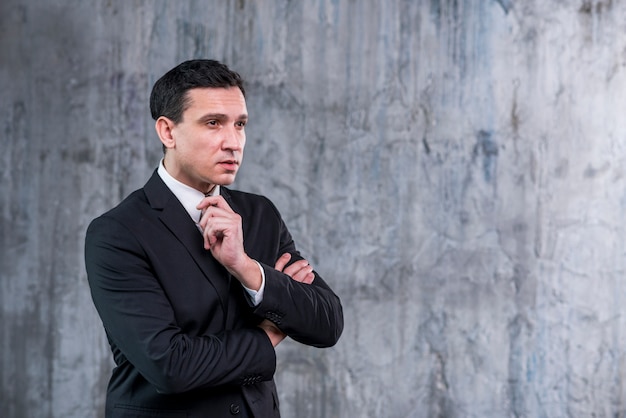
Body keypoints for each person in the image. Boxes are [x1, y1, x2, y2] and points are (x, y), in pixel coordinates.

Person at [85, 59, 344, 418]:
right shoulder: (117, 233)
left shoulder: (259, 215)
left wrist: (248, 268)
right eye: (213, 124)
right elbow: (170, 366)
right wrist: (268, 335)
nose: (233, 142)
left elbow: (327, 322)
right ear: (168, 132)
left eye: (240, 125)